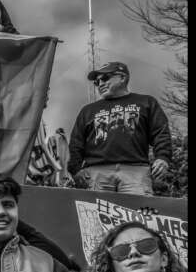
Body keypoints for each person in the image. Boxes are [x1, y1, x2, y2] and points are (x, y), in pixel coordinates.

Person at [66, 61, 173, 195]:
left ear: (122, 78)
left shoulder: (146, 102)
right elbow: (76, 143)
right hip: (96, 173)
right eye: (97, 82)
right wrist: (75, 170)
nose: (100, 84)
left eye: (105, 78)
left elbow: (160, 133)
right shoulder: (87, 111)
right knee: (95, 214)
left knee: (138, 214)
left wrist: (162, 157)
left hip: (136, 171)